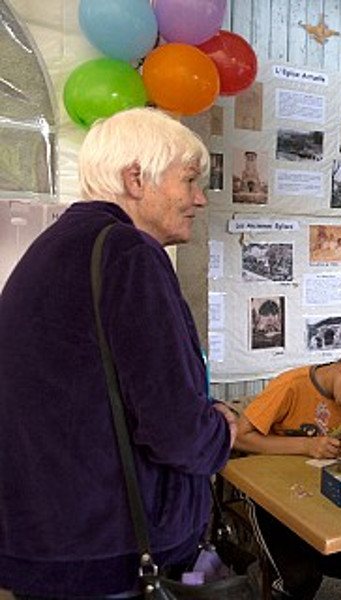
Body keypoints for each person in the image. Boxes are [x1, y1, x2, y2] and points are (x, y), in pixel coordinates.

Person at [0, 107, 236, 598]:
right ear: (136, 178)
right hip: (107, 554)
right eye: (189, 180)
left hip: (54, 539)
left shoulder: (61, 244)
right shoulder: (128, 253)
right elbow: (174, 429)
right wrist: (221, 431)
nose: (198, 198)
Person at [234, 338, 341, 599]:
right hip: (270, 494)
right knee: (301, 580)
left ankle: (303, 557)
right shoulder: (291, 386)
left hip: (316, 490)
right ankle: (262, 577)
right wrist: (306, 445)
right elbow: (239, 437)